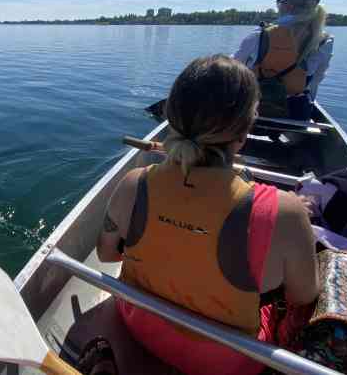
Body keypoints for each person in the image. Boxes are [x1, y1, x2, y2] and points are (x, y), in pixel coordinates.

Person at [97, 55, 319, 375]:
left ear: (171, 119)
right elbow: (303, 295)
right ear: (242, 134)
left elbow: (105, 255)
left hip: (139, 327)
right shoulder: (286, 212)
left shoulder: (135, 183)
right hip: (227, 362)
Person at [233, 0, 333, 121]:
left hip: (254, 109)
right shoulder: (325, 40)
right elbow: (316, 81)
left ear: (288, 5)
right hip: (297, 113)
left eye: (280, 1)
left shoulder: (261, 33)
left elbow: (233, 68)